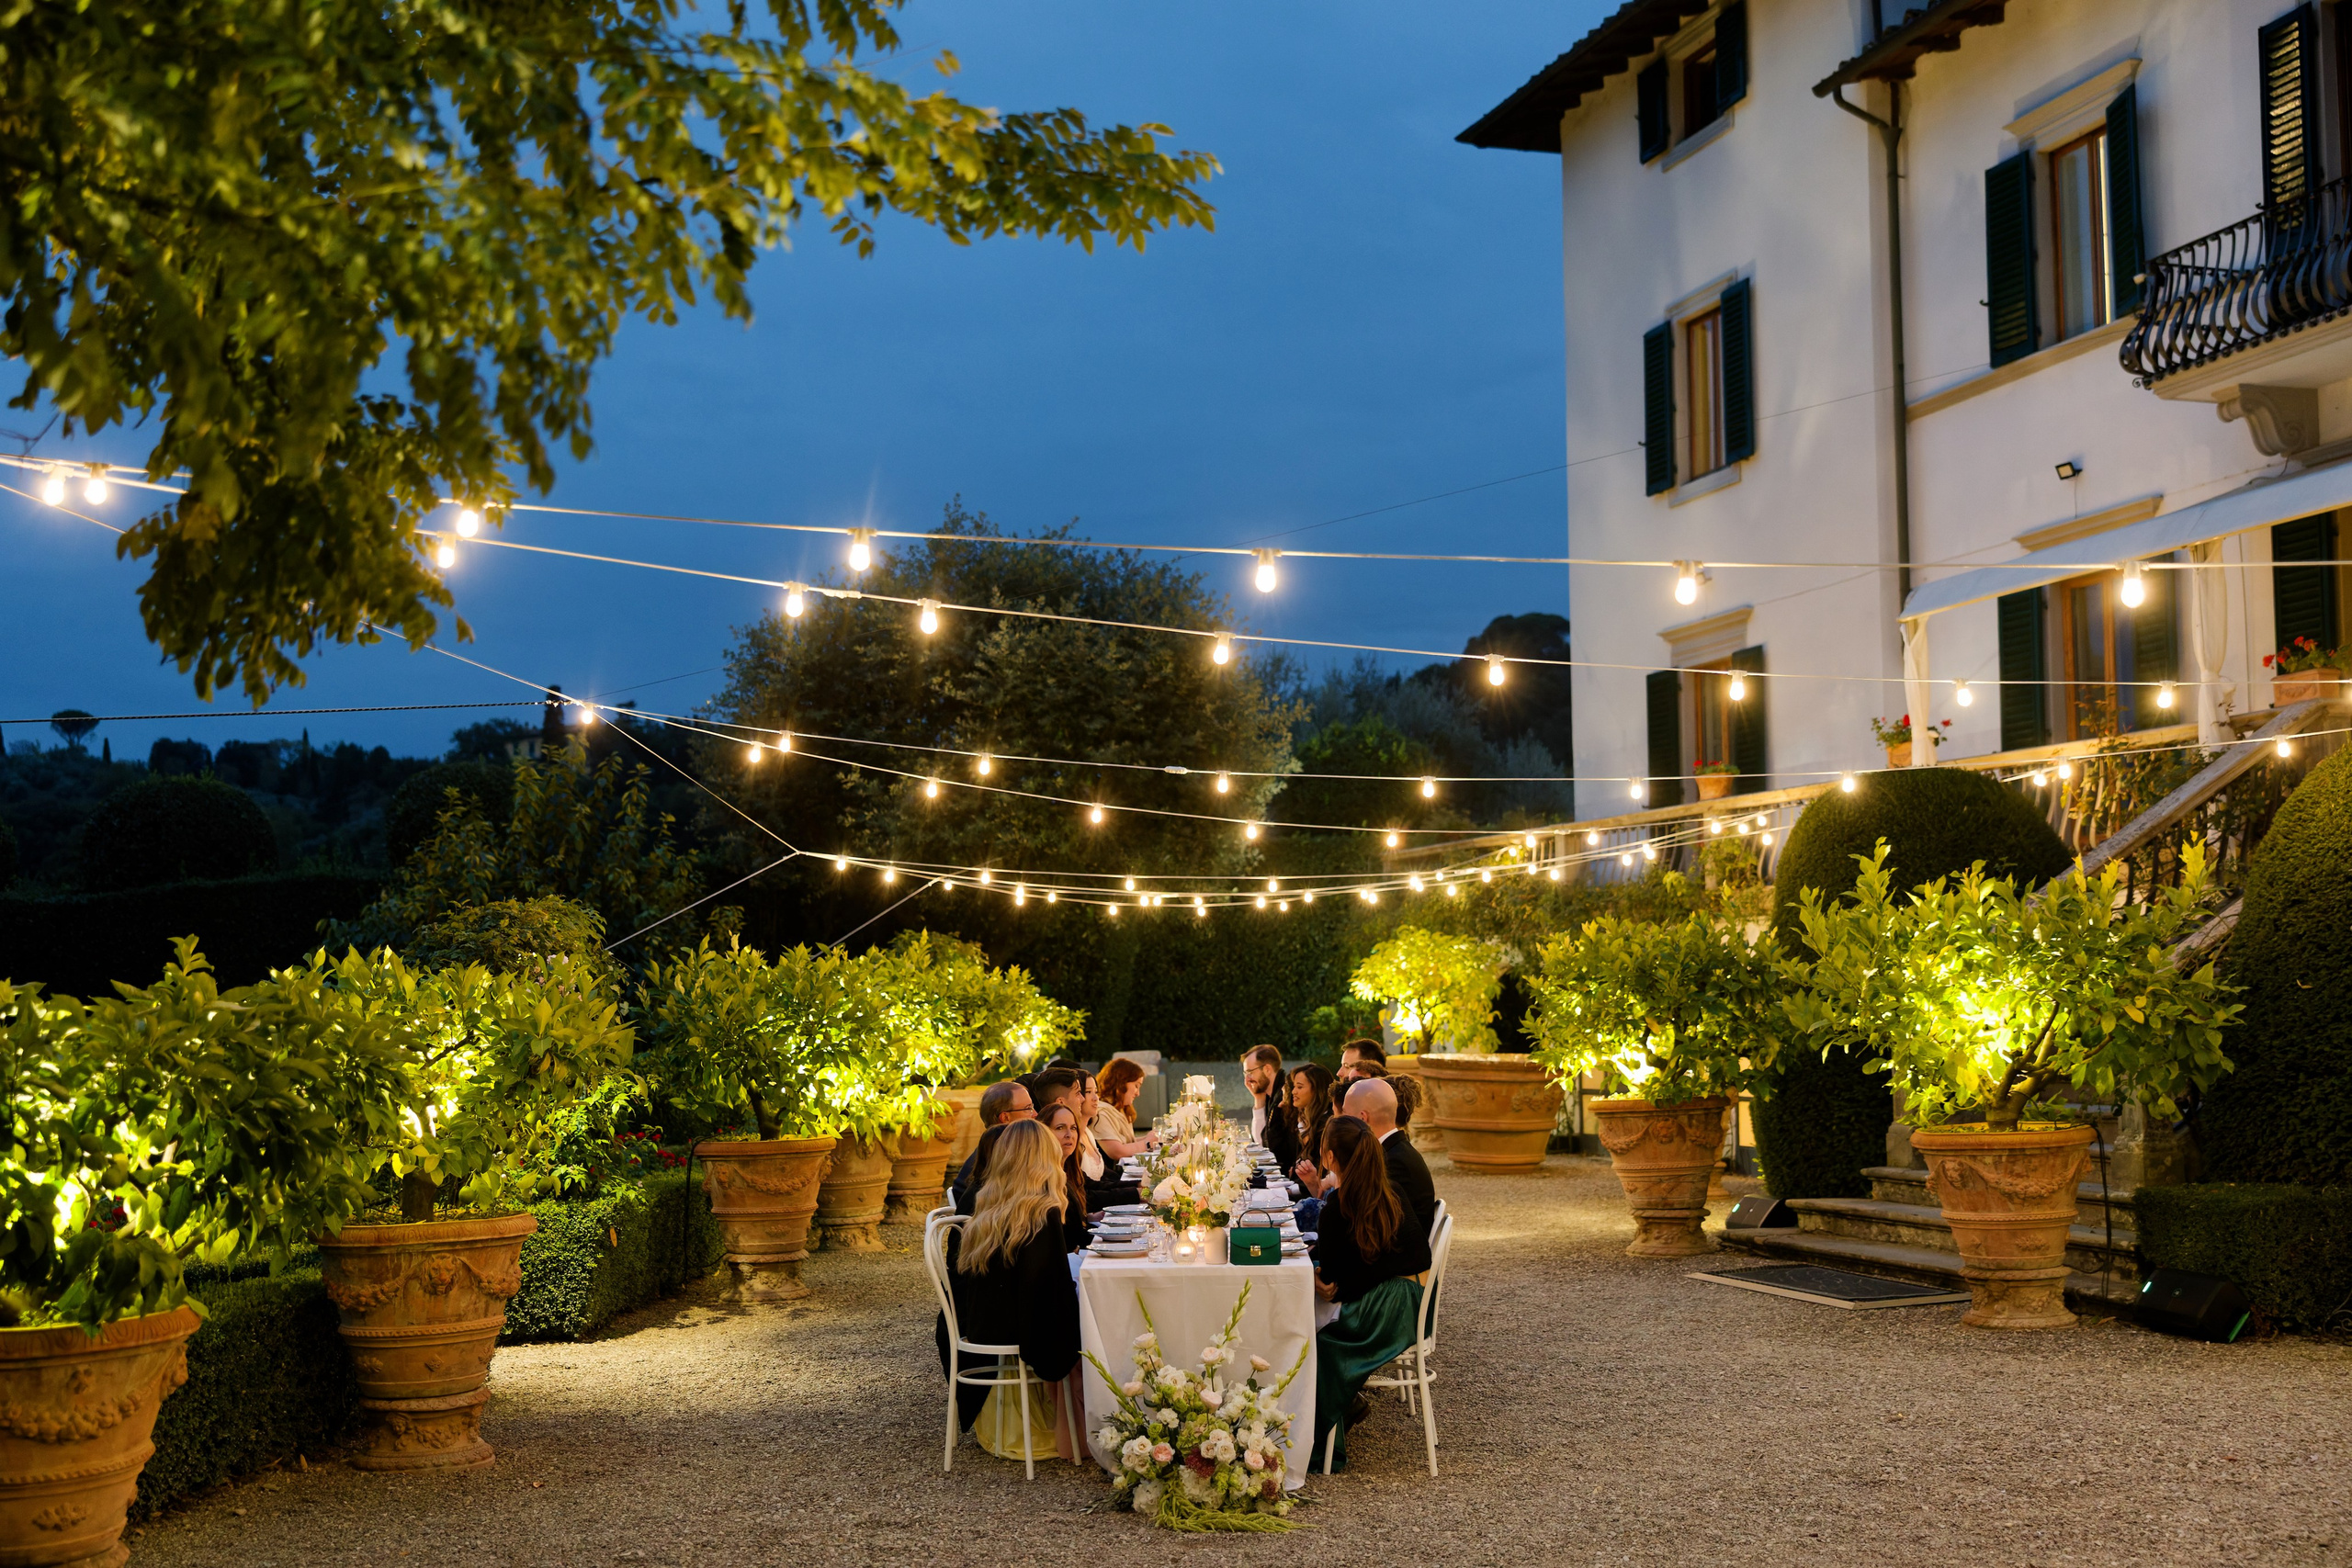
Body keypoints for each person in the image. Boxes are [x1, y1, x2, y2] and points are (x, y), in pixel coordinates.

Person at [934, 1121, 1084, 1464]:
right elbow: (1049, 1291)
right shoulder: (1040, 1211)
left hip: (979, 1321)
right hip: (1016, 1328)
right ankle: (1080, 1423)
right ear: (1042, 1158)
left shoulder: (985, 1201)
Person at [1306, 1114, 1430, 1471]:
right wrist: (1346, 1281)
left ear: (1329, 1157)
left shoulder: (1337, 1208)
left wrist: (1331, 1284)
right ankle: (1346, 1406)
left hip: (1384, 1309)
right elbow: (1415, 1255)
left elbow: (1333, 1281)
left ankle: (1325, 1435)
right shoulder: (1389, 1190)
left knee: (1316, 1339)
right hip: (1408, 1299)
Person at [1344, 1077, 1437, 1240]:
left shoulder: (1394, 1161)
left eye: (1345, 1115)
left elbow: (1374, 1224)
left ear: (1362, 1118)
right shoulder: (1395, 1150)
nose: (1341, 1122)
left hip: (1399, 1258)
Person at [950, 1079, 1036, 1213]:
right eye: (1028, 1109)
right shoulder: (999, 1155)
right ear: (1005, 1118)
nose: (1035, 1114)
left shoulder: (1004, 1147)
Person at [1072, 1072, 1139, 1209]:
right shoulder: (1070, 1140)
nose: (1096, 1098)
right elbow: (1086, 1193)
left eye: (1095, 1092)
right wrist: (1135, 1192)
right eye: (1088, 1092)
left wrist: (1138, 1186)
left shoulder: (1088, 1133)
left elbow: (1102, 1180)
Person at [1039, 1103, 1094, 1250]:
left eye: (1073, 1128)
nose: (1069, 1135)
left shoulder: (1068, 1170)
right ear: (1044, 1133)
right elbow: (1072, 1239)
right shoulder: (1045, 1180)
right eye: (1060, 1128)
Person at [1242, 1044, 1300, 1173]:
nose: (1247, 1080)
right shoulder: (1270, 1094)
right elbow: (1260, 1143)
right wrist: (1258, 1099)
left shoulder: (1283, 1096)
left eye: (1250, 1072)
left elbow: (1266, 1147)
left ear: (1267, 1069)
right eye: (1245, 1074)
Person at [1091, 1058, 1159, 1159]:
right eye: (1136, 1086)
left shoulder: (1119, 1109)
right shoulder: (1100, 1113)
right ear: (1121, 1083)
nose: (1138, 1093)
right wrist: (1147, 1143)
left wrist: (1152, 1138)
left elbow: (1127, 1142)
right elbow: (1117, 1151)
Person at [1287, 1062, 1337, 1195]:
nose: (1293, 1091)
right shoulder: (1304, 1121)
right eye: (1294, 1086)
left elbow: (1321, 1175)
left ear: (1317, 1090)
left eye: (1299, 1087)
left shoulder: (1327, 1125)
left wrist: (1288, 1191)